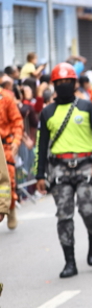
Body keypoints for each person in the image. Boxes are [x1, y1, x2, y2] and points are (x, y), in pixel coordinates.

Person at [34, 63, 92, 278]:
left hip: (86, 165)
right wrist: (39, 175)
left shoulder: (87, 106)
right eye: (60, 82)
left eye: (68, 81)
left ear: (75, 83)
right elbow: (41, 145)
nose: (64, 85)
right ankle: (70, 262)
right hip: (59, 168)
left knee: (88, 210)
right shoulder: (47, 112)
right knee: (64, 216)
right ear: (54, 84)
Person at [0, 77, 24, 229]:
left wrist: (16, 141)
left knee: (8, 180)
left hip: (5, 146)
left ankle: (10, 207)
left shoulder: (6, 98)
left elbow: (17, 121)